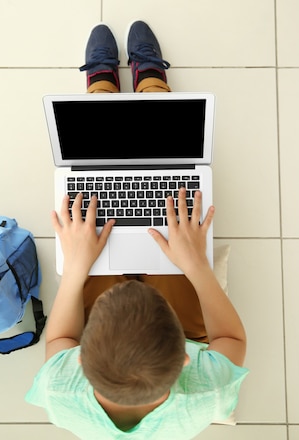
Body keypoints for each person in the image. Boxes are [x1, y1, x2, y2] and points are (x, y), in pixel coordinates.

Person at [26, 21, 248, 439]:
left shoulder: (60, 392)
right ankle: (151, 89)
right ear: (188, 359)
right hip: (165, 335)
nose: (135, 281)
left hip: (129, 343)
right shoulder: (209, 392)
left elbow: (60, 338)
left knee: (90, 241)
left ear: (80, 362)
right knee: (171, 236)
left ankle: (102, 94)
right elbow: (231, 337)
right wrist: (196, 265)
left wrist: (76, 268)